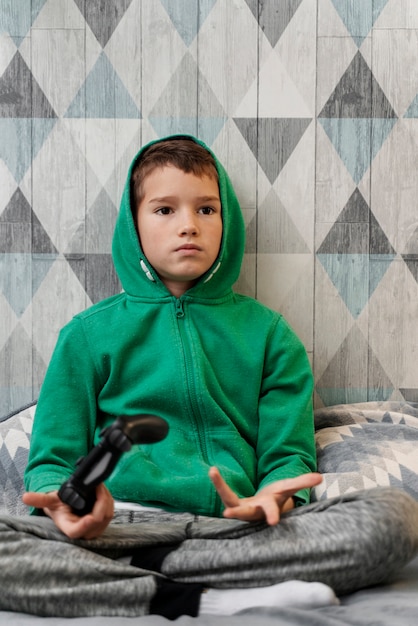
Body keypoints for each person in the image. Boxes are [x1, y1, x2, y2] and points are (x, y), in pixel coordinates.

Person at [0, 135, 417, 619]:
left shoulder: (270, 336)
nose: (188, 226)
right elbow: (51, 460)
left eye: (206, 210)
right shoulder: (86, 336)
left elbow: (288, 456)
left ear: (227, 222)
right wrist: (65, 503)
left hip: (234, 529)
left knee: (393, 518)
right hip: (115, 528)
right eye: (164, 210)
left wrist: (274, 497)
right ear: (132, 225)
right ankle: (209, 594)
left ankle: (146, 576)